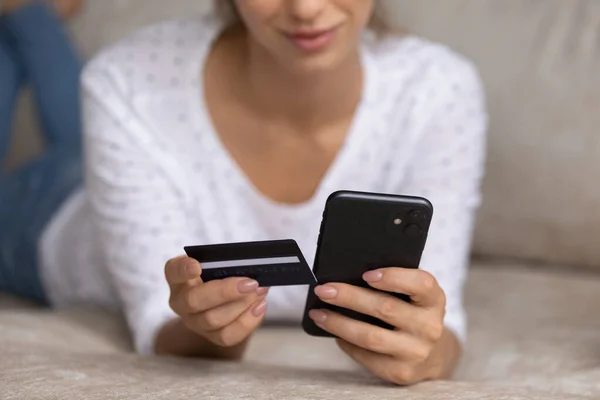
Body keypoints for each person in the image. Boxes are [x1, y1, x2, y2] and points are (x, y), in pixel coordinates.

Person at [1, 0, 488, 385]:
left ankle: (27, 12)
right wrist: (212, 335)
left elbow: (442, 323)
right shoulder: (127, 80)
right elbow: (157, 320)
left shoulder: (439, 89)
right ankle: (26, 13)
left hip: (129, 147)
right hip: (47, 216)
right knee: (62, 138)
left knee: (69, 129)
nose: (306, 9)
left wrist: (427, 355)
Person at [0, 0, 82, 300]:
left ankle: (25, 12)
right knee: (87, 149)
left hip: (59, 215)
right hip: (86, 190)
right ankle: (26, 12)